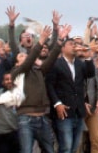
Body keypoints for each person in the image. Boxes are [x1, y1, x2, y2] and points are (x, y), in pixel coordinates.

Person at [13, 13, 67, 153]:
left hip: (42, 117)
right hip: (25, 119)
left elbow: (52, 56)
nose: (25, 57)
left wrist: (60, 39)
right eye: (21, 56)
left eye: (26, 55)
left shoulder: (38, 70)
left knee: (49, 149)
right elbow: (29, 61)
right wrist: (41, 40)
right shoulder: (17, 73)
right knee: (26, 150)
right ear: (16, 62)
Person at [47, 33, 98, 153]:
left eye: (75, 44)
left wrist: (88, 57)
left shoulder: (79, 63)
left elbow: (90, 74)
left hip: (78, 111)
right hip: (64, 111)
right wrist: (57, 103)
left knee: (74, 147)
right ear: (63, 48)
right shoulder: (56, 64)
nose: (74, 46)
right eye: (71, 44)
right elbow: (49, 85)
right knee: (66, 147)